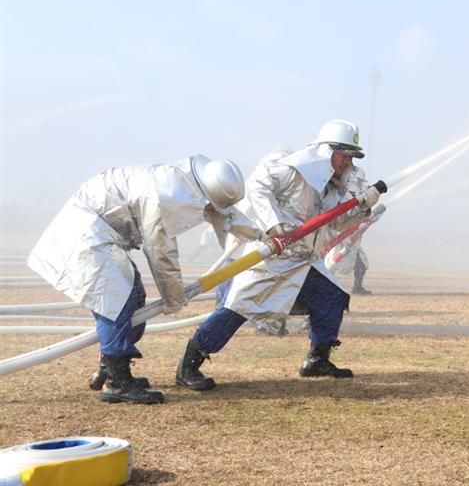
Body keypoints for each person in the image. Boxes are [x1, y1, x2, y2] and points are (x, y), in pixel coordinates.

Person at [176, 120, 381, 390]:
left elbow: (333, 223)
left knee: (331, 298)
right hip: (273, 258)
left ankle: (317, 360)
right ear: (325, 151)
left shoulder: (332, 185)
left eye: (351, 157)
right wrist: (274, 224)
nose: (347, 163)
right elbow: (258, 185)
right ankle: (189, 366)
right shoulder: (292, 170)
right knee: (238, 309)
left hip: (304, 260)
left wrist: (362, 208)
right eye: (344, 155)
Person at [26, 156, 246, 405]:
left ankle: (108, 369)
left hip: (100, 233)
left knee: (133, 298)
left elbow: (221, 216)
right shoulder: (167, 194)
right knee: (115, 301)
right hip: (88, 235)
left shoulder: (182, 182)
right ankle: (118, 382)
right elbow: (160, 251)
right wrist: (173, 297)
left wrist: (264, 234)